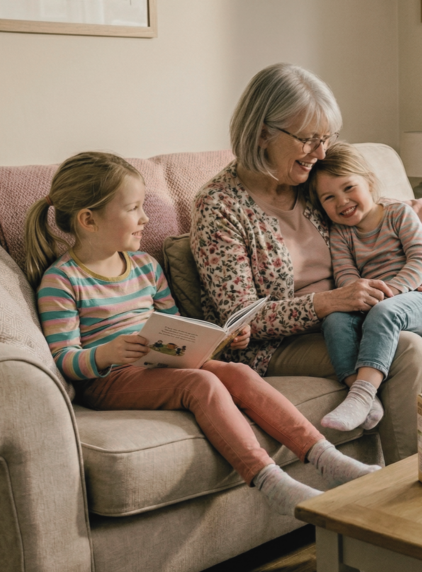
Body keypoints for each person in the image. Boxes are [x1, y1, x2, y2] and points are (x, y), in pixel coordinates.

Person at [24, 152, 378, 517]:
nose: (145, 218)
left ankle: (327, 459)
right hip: (109, 380)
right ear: (88, 220)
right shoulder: (62, 280)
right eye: (133, 208)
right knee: (200, 385)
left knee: (239, 372)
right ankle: (269, 481)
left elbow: (174, 327)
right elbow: (64, 359)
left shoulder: (146, 266)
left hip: (157, 366)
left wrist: (220, 342)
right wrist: (106, 354)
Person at [190, 63, 422, 462]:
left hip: (355, 316)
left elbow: (388, 221)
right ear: (263, 132)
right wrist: (330, 302)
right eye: (309, 139)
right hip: (279, 345)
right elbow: (242, 319)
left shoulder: (314, 184)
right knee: (408, 352)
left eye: (326, 138)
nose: (321, 152)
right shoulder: (219, 207)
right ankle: (407, 499)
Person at [310, 142, 422, 431]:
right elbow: (345, 273)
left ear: (369, 183)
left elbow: (421, 258)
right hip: (373, 302)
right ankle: (363, 397)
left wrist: (389, 293)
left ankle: (363, 394)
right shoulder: (340, 233)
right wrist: (360, 297)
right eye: (329, 197)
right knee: (334, 320)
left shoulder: (398, 214)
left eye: (348, 188)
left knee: (384, 312)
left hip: (418, 297)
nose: (342, 201)